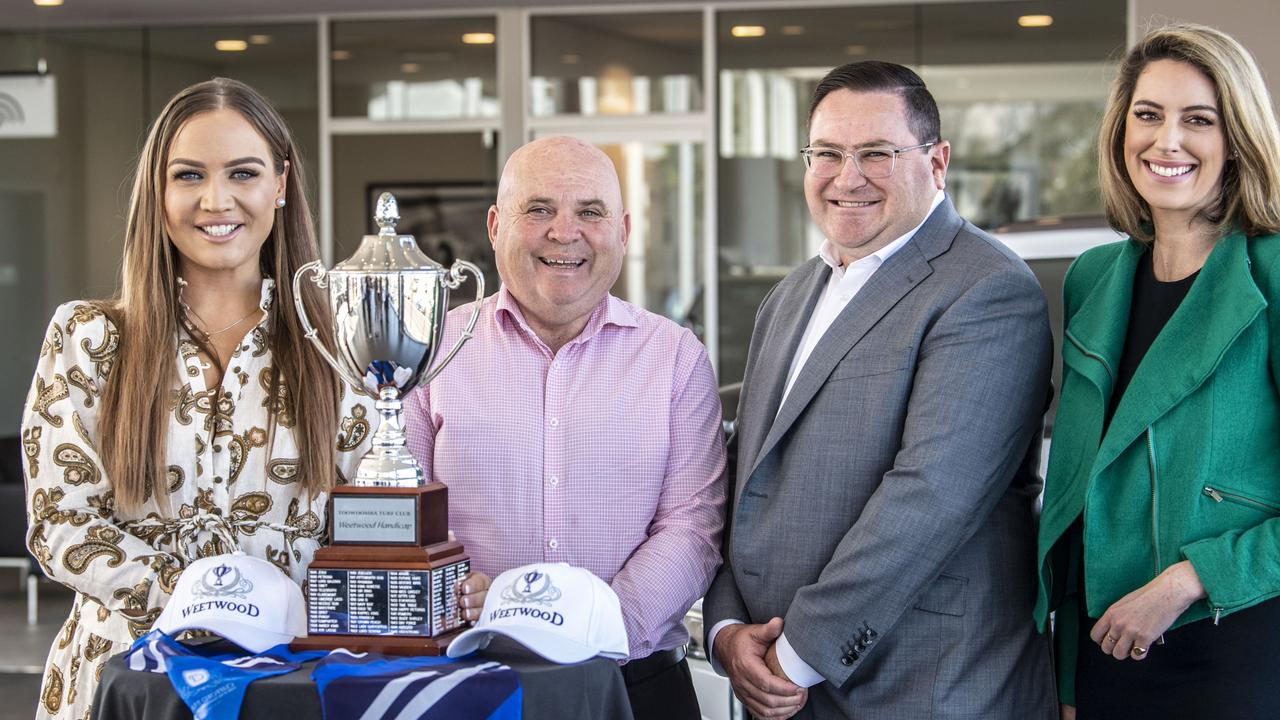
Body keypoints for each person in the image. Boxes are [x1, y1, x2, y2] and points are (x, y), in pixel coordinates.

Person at [702, 60, 1056, 719]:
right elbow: (746, 478)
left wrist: (794, 655)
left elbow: (931, 498)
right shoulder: (788, 298)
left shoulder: (987, 289)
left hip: (925, 690)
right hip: (782, 685)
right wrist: (726, 630)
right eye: (828, 154)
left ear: (938, 160)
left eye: (876, 153)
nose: (848, 177)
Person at [19, 78, 376, 719]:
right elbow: (60, 523)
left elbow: (373, 530)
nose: (217, 200)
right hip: (124, 682)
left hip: (293, 682)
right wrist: (204, 603)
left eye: (243, 172)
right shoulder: (89, 339)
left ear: (281, 183)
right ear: (157, 193)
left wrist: (272, 610)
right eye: (188, 175)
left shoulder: (343, 345)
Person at [402, 136, 726, 720]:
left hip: (635, 689)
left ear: (623, 230)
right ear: (497, 224)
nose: (564, 231)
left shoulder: (675, 357)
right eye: (540, 209)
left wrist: (594, 626)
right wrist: (459, 598)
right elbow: (401, 523)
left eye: (590, 212)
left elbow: (693, 528)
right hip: (464, 686)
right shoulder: (430, 351)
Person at [1035, 24, 1280, 720]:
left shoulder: (1272, 273)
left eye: (1197, 120)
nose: (1166, 141)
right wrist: (1070, 680)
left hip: (1234, 647)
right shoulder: (1093, 278)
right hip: (1106, 652)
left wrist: (1189, 579)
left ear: (1236, 140)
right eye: (1149, 115)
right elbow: (1079, 491)